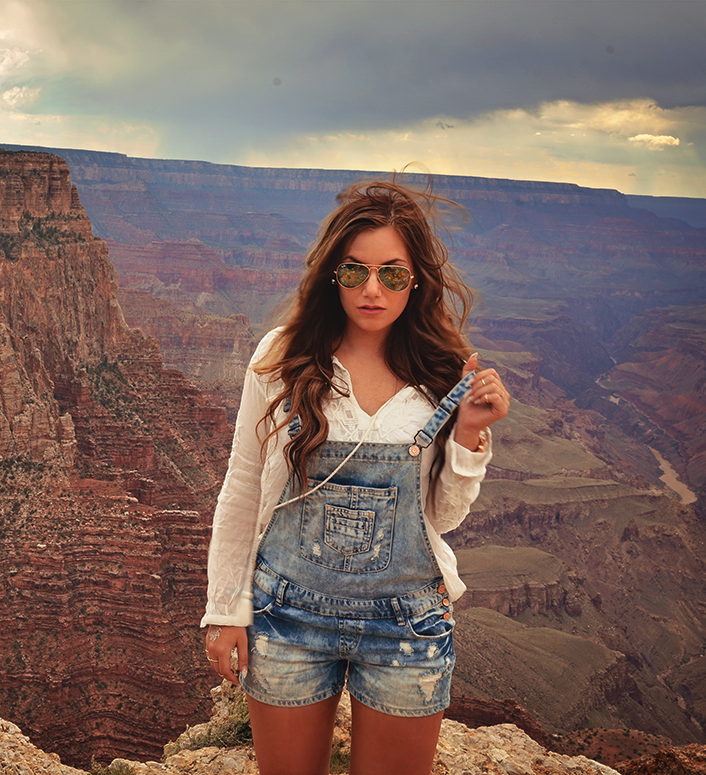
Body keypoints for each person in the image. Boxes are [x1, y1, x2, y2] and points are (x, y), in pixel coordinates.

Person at [201, 177, 509, 775]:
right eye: (354, 272)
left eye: (392, 273)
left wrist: (469, 435)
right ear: (331, 276)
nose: (373, 289)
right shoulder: (282, 358)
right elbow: (242, 484)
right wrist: (224, 610)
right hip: (286, 617)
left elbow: (439, 518)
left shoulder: (441, 374)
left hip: (407, 625)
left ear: (415, 278)